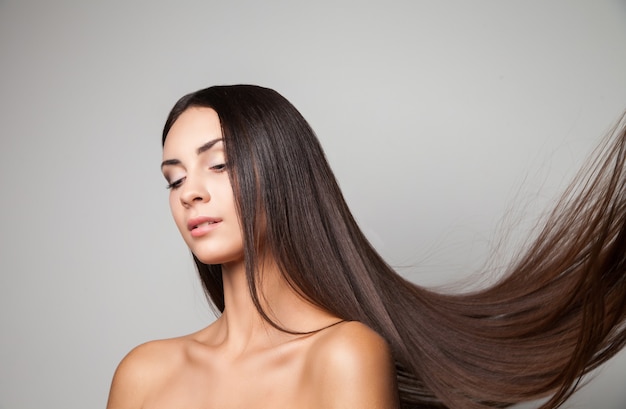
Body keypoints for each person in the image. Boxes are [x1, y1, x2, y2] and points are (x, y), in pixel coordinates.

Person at [106, 85, 626, 409]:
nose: (190, 192)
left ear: (284, 174)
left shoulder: (345, 356)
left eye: (218, 164)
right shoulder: (144, 372)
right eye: (174, 180)